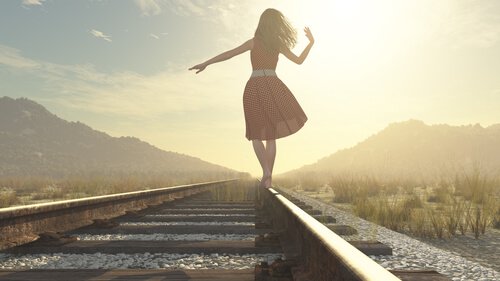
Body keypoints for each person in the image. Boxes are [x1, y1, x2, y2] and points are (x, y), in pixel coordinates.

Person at [189, 8, 314, 188]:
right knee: (271, 136)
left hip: (254, 87)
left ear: (261, 24)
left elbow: (228, 54)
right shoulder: (278, 44)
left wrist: (206, 63)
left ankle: (266, 171)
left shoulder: (254, 42)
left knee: (256, 134)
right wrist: (310, 43)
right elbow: (299, 61)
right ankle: (269, 175)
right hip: (273, 87)